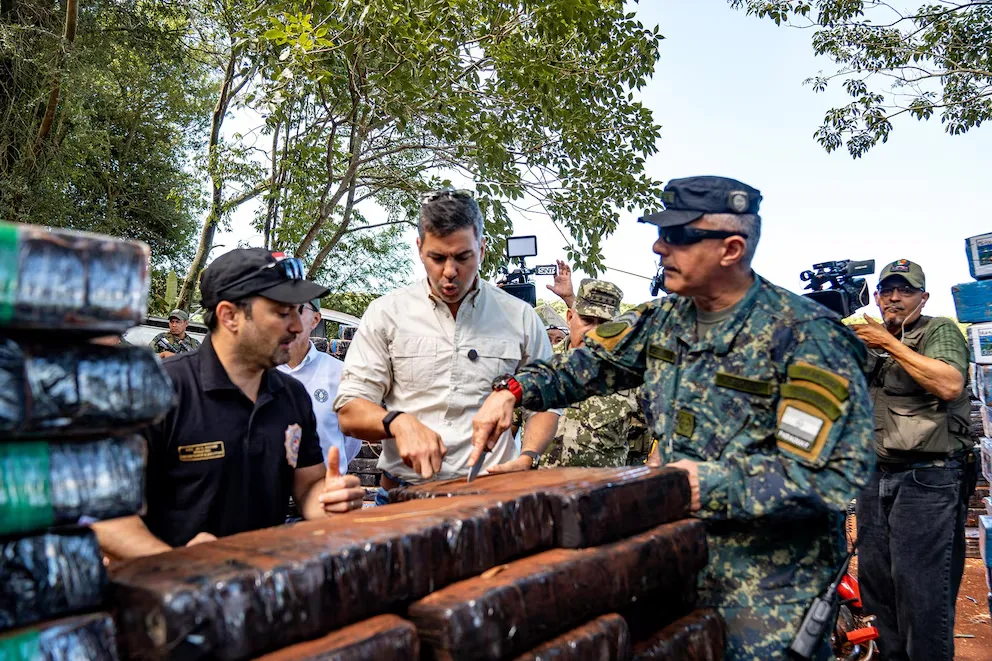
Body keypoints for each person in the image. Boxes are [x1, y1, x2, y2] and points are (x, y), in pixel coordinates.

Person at [470, 176, 875, 659]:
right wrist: (513, 390)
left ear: (731, 248)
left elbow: (828, 476)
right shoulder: (662, 321)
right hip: (676, 563)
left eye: (679, 236)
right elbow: (585, 364)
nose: (660, 246)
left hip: (768, 593)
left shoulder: (806, 339)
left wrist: (711, 484)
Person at [92, 248, 365, 559]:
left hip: (259, 585)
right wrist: (175, 561)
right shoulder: (155, 390)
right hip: (163, 596)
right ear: (229, 316)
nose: (297, 326)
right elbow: (106, 516)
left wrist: (330, 499)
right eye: (281, 312)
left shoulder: (291, 395)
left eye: (296, 312)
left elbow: (308, 485)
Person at [334, 188, 560, 504]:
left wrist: (529, 456)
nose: (450, 272)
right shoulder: (386, 313)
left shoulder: (520, 317)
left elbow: (546, 402)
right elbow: (349, 411)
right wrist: (396, 423)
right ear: (419, 248)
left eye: (463, 257)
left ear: (481, 248)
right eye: (437, 258)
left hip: (490, 496)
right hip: (404, 496)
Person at [852, 260, 977, 661]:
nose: (894, 297)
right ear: (875, 297)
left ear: (923, 297)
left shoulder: (936, 330)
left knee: (921, 595)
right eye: (887, 290)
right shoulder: (869, 342)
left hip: (927, 479)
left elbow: (949, 383)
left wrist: (888, 343)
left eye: (905, 290)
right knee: (877, 591)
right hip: (875, 476)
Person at [540, 275, 645, 468]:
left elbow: (667, 435)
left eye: (605, 324)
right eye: (587, 320)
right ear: (570, 317)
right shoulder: (541, 363)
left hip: (601, 494)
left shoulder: (631, 376)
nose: (594, 332)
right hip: (538, 491)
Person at [278, 297, 361, 474]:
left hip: (324, 492)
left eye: (297, 310)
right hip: (270, 495)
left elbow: (351, 440)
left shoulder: (339, 373)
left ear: (315, 319)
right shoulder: (260, 372)